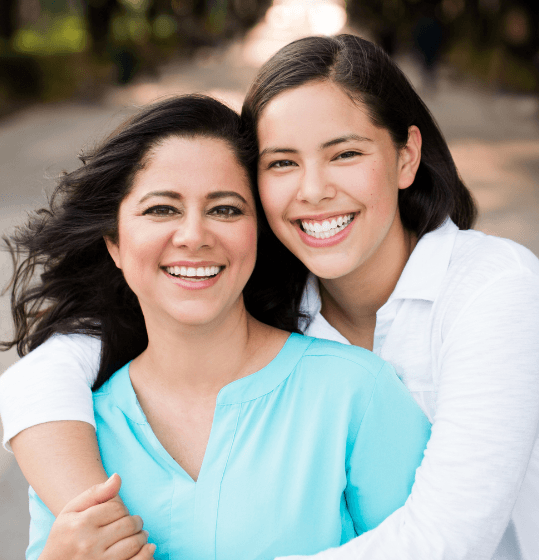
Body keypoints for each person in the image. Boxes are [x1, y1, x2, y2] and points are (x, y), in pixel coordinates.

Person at [1, 33, 539, 560]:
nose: (312, 189)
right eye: (282, 162)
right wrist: (82, 529)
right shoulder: (266, 297)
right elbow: (46, 372)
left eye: (345, 153)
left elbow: (447, 543)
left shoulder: (490, 289)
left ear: (406, 157)